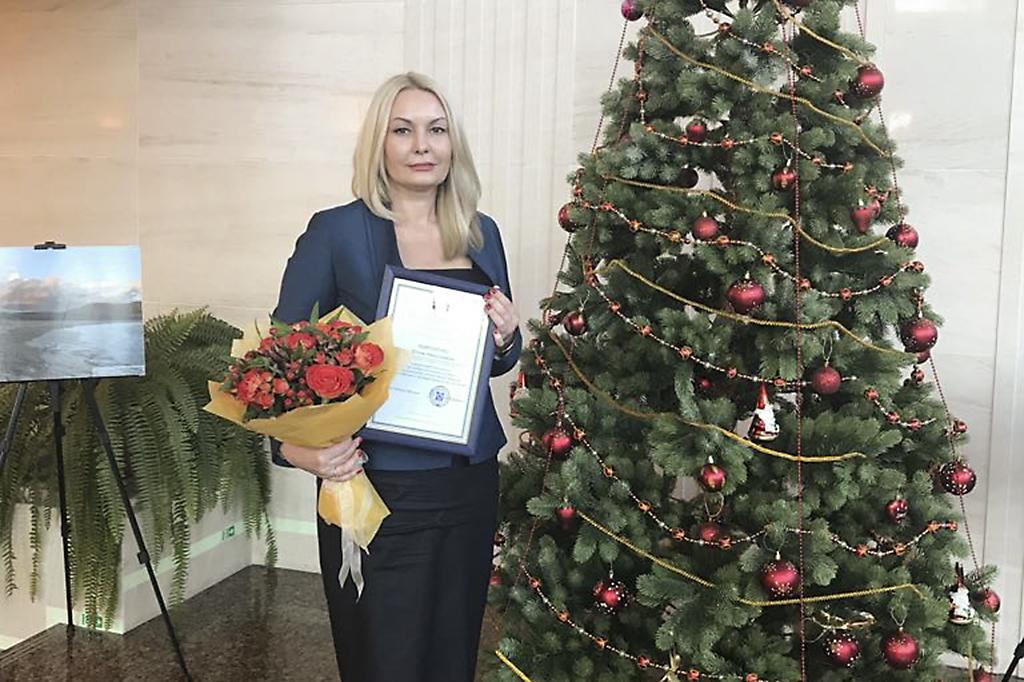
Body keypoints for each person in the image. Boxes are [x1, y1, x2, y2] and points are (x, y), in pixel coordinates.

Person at [269, 72, 521, 682]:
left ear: (453, 142)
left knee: (452, 651)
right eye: (403, 131)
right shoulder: (336, 232)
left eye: (436, 130)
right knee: (384, 657)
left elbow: (496, 359)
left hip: (467, 483)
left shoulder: (481, 233)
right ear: (379, 143)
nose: (422, 145)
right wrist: (297, 452)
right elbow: (277, 366)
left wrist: (508, 336)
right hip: (376, 484)